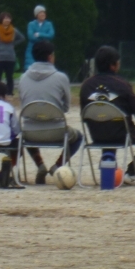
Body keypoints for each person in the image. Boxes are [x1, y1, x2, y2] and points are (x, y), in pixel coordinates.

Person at [79, 45, 135, 183]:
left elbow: (84, 115)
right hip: (121, 134)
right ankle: (130, 173)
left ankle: (108, 170)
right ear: (113, 65)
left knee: (106, 124)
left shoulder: (86, 85)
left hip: (96, 134)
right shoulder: (122, 85)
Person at [19, 40, 83, 184]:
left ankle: (40, 164)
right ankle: (57, 166)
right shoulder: (61, 78)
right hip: (56, 131)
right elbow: (66, 107)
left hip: (30, 132)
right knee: (78, 137)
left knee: (27, 128)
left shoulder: (23, 78)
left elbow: (24, 106)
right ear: (50, 57)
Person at [0, 12, 25, 94]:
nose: (7, 20)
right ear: (1, 19)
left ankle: (10, 92)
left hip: (10, 57)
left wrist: (13, 44)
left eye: (8, 18)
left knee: (9, 77)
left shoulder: (13, 30)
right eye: (5, 18)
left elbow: (22, 38)